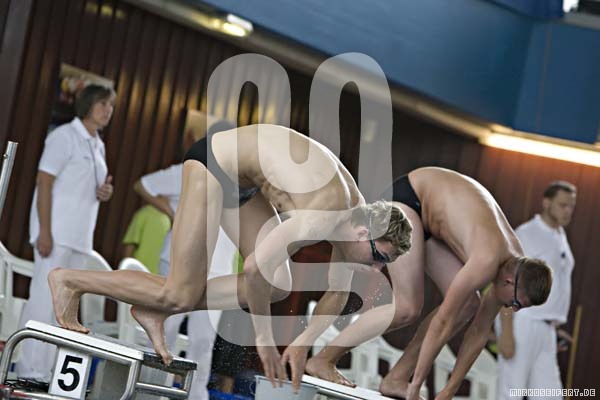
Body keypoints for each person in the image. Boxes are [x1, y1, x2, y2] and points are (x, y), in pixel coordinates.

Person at [47, 124, 413, 390]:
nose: (375, 268)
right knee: (180, 292)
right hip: (215, 164)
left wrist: (308, 349)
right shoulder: (326, 213)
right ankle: (70, 280)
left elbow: (337, 291)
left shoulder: (356, 218)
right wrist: (264, 338)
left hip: (244, 182)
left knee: (278, 284)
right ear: (363, 234)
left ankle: (157, 308)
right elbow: (254, 268)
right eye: (379, 257)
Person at [303, 167, 553, 400]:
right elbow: (442, 322)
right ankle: (324, 359)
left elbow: (478, 334)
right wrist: (417, 385)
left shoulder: (514, 267)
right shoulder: (488, 260)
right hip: (410, 200)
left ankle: (397, 379)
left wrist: (449, 391)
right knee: (407, 307)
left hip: (433, 217)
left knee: (468, 305)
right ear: (510, 282)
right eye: (517, 303)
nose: (513, 309)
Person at [17, 84, 116, 381]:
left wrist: (105, 192)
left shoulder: (98, 144)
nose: (108, 110)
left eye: (111, 105)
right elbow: (44, 182)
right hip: (56, 233)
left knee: (64, 307)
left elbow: (86, 185)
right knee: (44, 300)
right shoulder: (64, 136)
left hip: (80, 238)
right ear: (87, 104)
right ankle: (28, 369)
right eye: (103, 104)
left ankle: (47, 372)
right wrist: (44, 231)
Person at [134, 121, 237, 400]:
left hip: (217, 271)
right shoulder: (190, 170)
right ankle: (150, 390)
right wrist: (172, 213)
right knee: (165, 329)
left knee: (203, 341)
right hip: (179, 262)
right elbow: (143, 185)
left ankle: (196, 395)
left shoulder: (242, 184)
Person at [495, 181, 576, 400]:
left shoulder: (560, 235)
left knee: (549, 395)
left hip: (546, 328)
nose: (568, 211)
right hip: (522, 322)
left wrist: (553, 324)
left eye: (571, 206)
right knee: (512, 391)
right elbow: (507, 281)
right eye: (563, 205)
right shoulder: (528, 233)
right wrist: (507, 332)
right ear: (546, 203)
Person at [121, 204, 171, 274]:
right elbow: (130, 245)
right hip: (138, 271)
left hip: (159, 275)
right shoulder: (144, 213)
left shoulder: (172, 220)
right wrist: (126, 271)